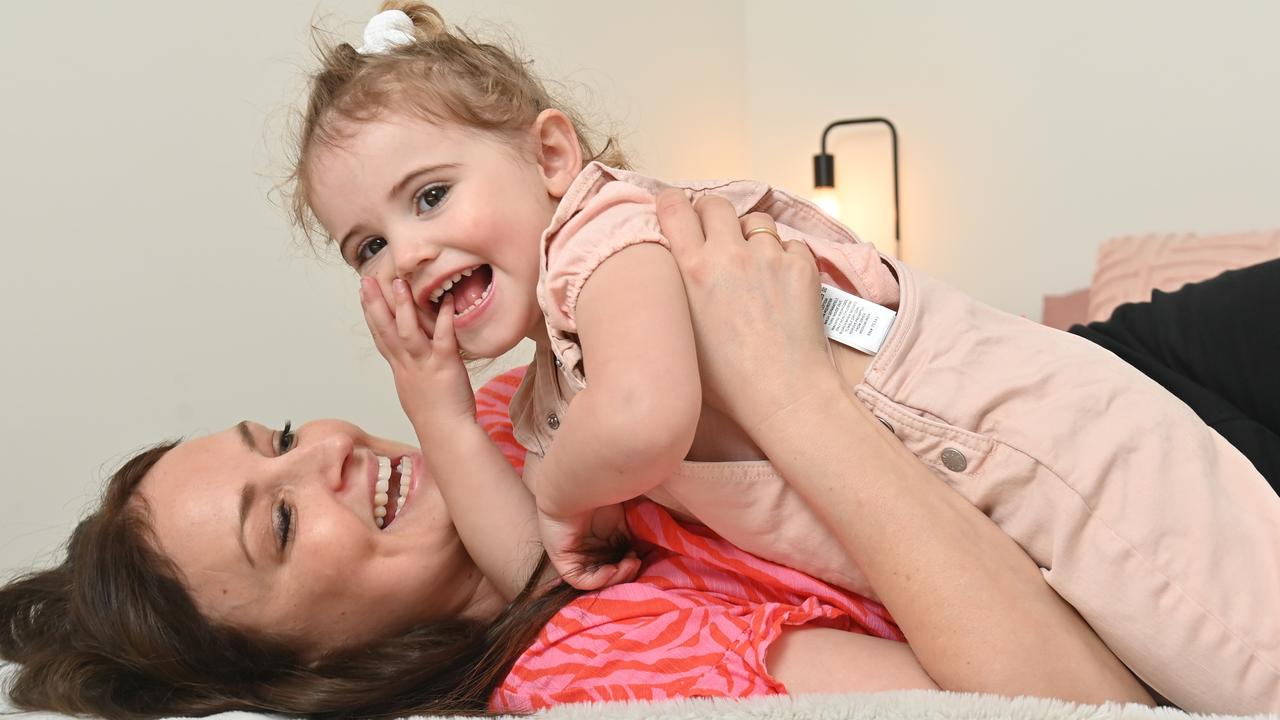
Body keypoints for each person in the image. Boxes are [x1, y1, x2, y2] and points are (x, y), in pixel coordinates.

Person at [292, 3, 1278, 713]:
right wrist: (438, 409)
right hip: (983, 514)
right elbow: (531, 579)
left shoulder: (608, 240)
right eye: (367, 247)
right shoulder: (549, 391)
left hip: (1039, 448)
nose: (407, 251)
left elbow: (640, 420)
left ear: (552, 158)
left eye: (428, 197)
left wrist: (557, 492)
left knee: (1248, 659)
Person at [0, 205, 1152, 717]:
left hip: (1078, 374)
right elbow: (1070, 706)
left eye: (285, 440)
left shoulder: (504, 411)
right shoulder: (589, 667)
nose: (333, 455)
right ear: (304, 671)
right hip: (1129, 474)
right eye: (283, 524)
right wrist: (795, 396)